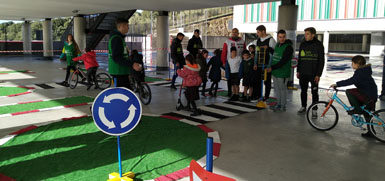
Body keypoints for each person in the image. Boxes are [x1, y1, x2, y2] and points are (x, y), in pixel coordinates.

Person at [330, 55, 378, 138]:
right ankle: (371, 132)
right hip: (371, 94)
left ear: (357, 64)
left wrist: (337, 84)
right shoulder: (364, 70)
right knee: (367, 112)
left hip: (368, 95)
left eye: (352, 63)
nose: (352, 65)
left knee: (349, 91)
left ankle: (357, 109)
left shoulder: (360, 72)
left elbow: (352, 80)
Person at [296, 27, 325, 115]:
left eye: (307, 34)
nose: (305, 36)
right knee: (303, 91)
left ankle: (314, 109)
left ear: (313, 35)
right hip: (303, 73)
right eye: (305, 34)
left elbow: (321, 61)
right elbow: (300, 58)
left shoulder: (319, 45)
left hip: (313, 74)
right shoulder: (303, 44)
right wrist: (298, 71)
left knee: (314, 92)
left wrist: (318, 74)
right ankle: (303, 106)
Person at [108, 18, 141, 89]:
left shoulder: (120, 38)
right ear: (121, 26)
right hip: (118, 72)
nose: (128, 27)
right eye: (127, 25)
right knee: (121, 94)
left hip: (122, 71)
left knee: (126, 93)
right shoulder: (116, 39)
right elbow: (117, 57)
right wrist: (132, 64)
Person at [266, 30, 293, 112]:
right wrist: (268, 49)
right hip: (275, 72)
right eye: (280, 37)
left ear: (286, 37)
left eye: (283, 37)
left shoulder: (288, 47)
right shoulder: (278, 45)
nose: (282, 39)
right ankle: (278, 104)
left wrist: (272, 67)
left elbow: (283, 61)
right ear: (278, 37)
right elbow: (276, 54)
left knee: (282, 89)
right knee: (277, 89)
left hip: (283, 73)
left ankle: (282, 106)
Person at [252, 25, 276, 101]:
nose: (257, 34)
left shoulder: (271, 40)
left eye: (258, 32)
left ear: (263, 31)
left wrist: (269, 66)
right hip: (259, 65)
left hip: (266, 65)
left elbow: (273, 54)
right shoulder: (258, 41)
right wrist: (255, 63)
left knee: (267, 81)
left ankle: (266, 96)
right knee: (257, 81)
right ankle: (257, 95)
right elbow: (256, 53)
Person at [221, 28, 246, 97]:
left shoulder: (242, 41)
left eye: (235, 32)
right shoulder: (227, 41)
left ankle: (238, 93)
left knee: (238, 79)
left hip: (239, 63)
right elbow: (224, 52)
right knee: (229, 78)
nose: (234, 33)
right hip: (230, 63)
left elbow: (244, 51)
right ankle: (230, 92)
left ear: (238, 33)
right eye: (233, 32)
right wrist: (223, 62)